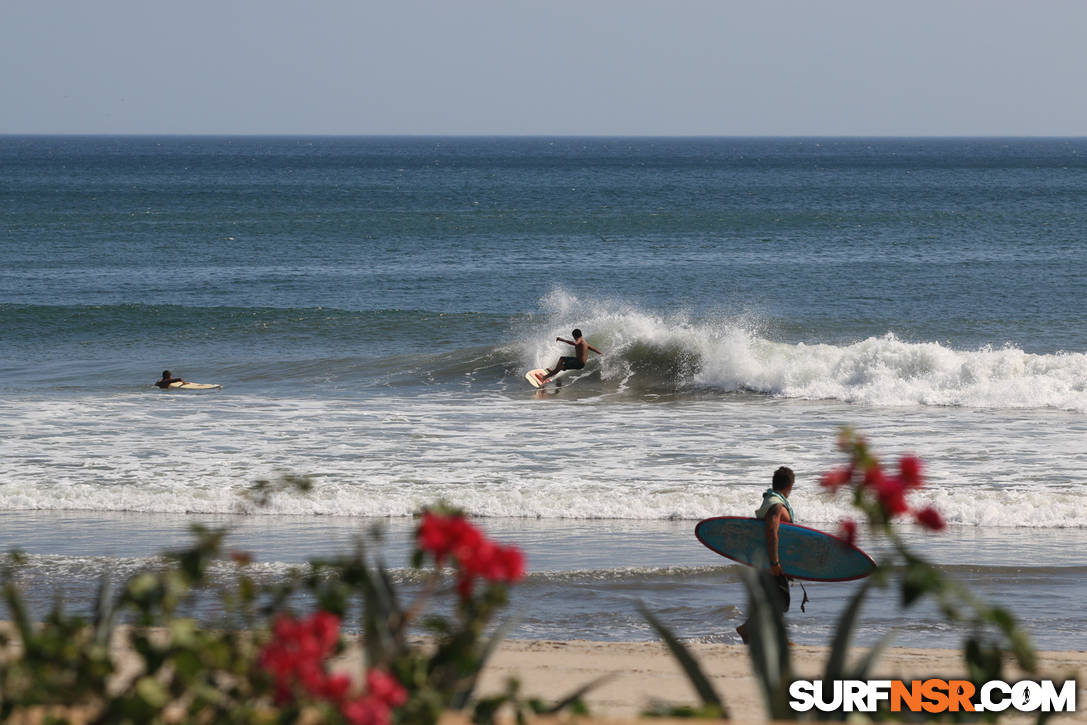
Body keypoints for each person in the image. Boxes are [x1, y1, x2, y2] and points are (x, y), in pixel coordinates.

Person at [736, 466, 795, 645]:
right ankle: (750, 630)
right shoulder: (776, 504)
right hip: (770, 561)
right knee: (779, 601)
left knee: (773, 600)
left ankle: (752, 631)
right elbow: (771, 531)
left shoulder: (770, 500)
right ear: (790, 486)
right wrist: (775, 562)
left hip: (765, 559)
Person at [538, 329, 603, 383]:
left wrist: (562, 340)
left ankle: (544, 377)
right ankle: (553, 372)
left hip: (578, 363)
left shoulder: (579, 340)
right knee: (562, 360)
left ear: (575, 336)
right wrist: (600, 353)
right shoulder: (584, 342)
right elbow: (591, 348)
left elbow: (575, 343)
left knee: (561, 364)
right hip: (578, 361)